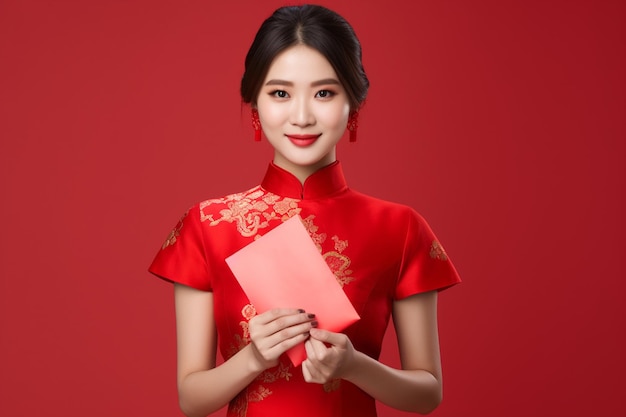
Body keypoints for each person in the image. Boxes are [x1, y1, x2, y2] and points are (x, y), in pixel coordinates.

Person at [149, 4, 460, 417]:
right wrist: (253, 358)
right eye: (280, 93)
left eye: (324, 93)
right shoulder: (208, 224)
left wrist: (354, 366)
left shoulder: (400, 227)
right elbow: (191, 399)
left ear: (354, 105)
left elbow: (428, 393)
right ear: (255, 105)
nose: (301, 115)